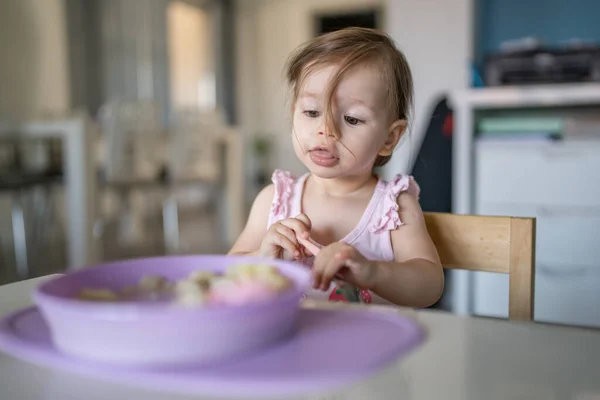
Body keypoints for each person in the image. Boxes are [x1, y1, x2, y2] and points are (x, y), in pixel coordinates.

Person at [229, 27, 443, 307]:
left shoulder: (394, 208)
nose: (325, 130)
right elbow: (226, 274)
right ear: (294, 112)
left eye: (352, 119)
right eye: (312, 112)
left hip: (372, 349)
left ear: (389, 138)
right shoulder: (273, 202)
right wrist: (262, 256)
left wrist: (373, 271)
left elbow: (429, 286)